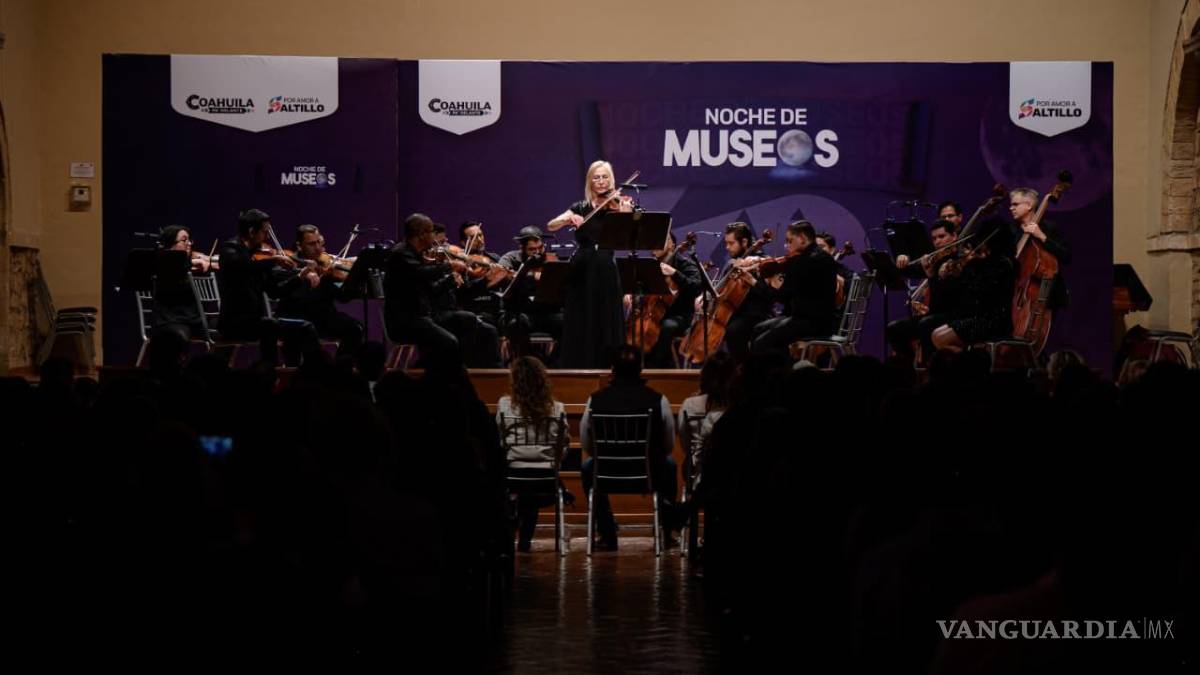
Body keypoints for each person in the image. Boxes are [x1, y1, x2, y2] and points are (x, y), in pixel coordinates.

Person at [579, 345, 678, 551]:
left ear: (612, 369)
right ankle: (666, 531)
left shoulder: (595, 400)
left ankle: (607, 533)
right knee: (669, 465)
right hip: (648, 473)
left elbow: (586, 444)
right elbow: (669, 444)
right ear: (640, 369)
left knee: (588, 467)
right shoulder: (659, 400)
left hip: (606, 473)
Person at [547, 160, 630, 368]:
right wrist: (569, 219)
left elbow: (627, 233)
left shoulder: (617, 204)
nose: (601, 181)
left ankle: (608, 363)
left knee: (606, 317)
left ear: (611, 180)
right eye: (596, 177)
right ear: (590, 181)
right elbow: (551, 225)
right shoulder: (580, 207)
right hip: (582, 268)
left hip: (605, 266)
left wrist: (624, 210)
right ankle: (580, 364)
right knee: (582, 316)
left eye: (605, 177)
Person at [215, 208, 315, 364]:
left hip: (255, 321)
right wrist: (273, 260)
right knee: (271, 325)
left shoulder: (258, 257)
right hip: (234, 324)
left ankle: (295, 371)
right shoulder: (231, 250)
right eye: (264, 232)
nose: (267, 237)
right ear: (251, 232)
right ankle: (272, 369)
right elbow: (244, 267)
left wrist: (300, 276)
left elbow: (275, 291)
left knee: (303, 327)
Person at [495, 356, 569, 552]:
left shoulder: (504, 405)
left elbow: (499, 440)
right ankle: (525, 538)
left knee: (520, 486)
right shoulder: (557, 408)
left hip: (513, 475)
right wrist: (553, 460)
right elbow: (563, 445)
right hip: (546, 477)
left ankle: (512, 533)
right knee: (533, 485)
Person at [750, 220, 839, 356]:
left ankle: (778, 369)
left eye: (790, 241)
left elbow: (781, 297)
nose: (787, 246)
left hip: (810, 322)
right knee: (758, 329)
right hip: (825, 321)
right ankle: (783, 365)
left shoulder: (802, 261)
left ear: (802, 238)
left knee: (761, 343)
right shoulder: (824, 257)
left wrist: (754, 282)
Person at [274, 224, 364, 356]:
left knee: (355, 328)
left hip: (324, 318)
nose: (317, 248)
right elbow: (296, 297)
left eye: (318, 242)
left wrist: (353, 281)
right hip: (298, 317)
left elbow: (343, 298)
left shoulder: (324, 266)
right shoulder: (288, 265)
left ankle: (341, 365)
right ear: (299, 246)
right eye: (311, 244)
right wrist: (305, 275)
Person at [929, 222, 1016, 351]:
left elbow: (982, 294)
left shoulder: (1003, 264)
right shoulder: (982, 263)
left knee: (940, 337)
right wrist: (956, 275)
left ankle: (970, 360)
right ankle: (969, 359)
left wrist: (967, 269)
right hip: (977, 317)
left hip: (993, 321)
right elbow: (965, 295)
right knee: (936, 334)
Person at [886, 219, 963, 363]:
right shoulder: (935, 260)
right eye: (934, 238)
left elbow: (951, 295)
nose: (937, 242)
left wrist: (933, 276)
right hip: (936, 315)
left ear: (954, 236)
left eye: (942, 236)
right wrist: (903, 258)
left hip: (956, 315)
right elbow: (907, 271)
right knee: (894, 328)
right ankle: (907, 367)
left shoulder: (961, 261)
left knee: (926, 324)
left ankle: (929, 367)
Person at [638, 231, 704, 368]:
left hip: (681, 315)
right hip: (653, 314)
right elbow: (643, 290)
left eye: (660, 241)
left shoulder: (684, 263)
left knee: (667, 326)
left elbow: (697, 287)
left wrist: (674, 273)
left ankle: (659, 367)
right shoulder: (651, 265)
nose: (655, 245)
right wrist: (633, 296)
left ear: (671, 245)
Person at [498, 226, 563, 362]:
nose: (538, 252)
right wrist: (532, 276)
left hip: (546, 312)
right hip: (520, 311)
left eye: (541, 248)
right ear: (522, 248)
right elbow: (502, 274)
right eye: (532, 249)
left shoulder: (551, 259)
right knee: (517, 324)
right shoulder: (510, 258)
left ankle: (553, 364)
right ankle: (529, 362)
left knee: (568, 322)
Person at [150, 225, 207, 342]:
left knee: (231, 330)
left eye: (189, 240)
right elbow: (175, 266)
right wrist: (192, 263)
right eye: (184, 240)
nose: (189, 243)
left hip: (195, 319)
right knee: (178, 336)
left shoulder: (188, 264)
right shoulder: (163, 264)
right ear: (171, 244)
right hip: (171, 319)